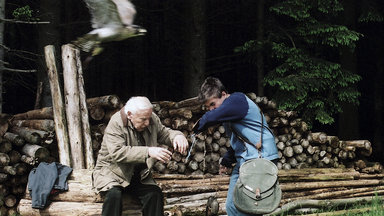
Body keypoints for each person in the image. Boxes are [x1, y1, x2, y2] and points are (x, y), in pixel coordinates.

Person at [193, 77, 279, 216]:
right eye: (208, 106)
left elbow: (211, 117)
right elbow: (241, 139)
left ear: (223, 94)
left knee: (249, 207)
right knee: (232, 206)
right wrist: (227, 160)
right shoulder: (230, 111)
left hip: (260, 158)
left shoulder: (237, 100)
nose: (211, 109)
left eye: (213, 104)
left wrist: (196, 127)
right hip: (246, 160)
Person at [92, 96, 188, 216]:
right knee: (114, 195)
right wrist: (148, 152)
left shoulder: (150, 118)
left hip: (138, 175)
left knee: (154, 194)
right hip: (113, 173)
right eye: (143, 119)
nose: (147, 123)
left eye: (148, 118)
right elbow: (118, 153)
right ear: (129, 114)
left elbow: (164, 133)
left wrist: (177, 136)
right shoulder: (116, 123)